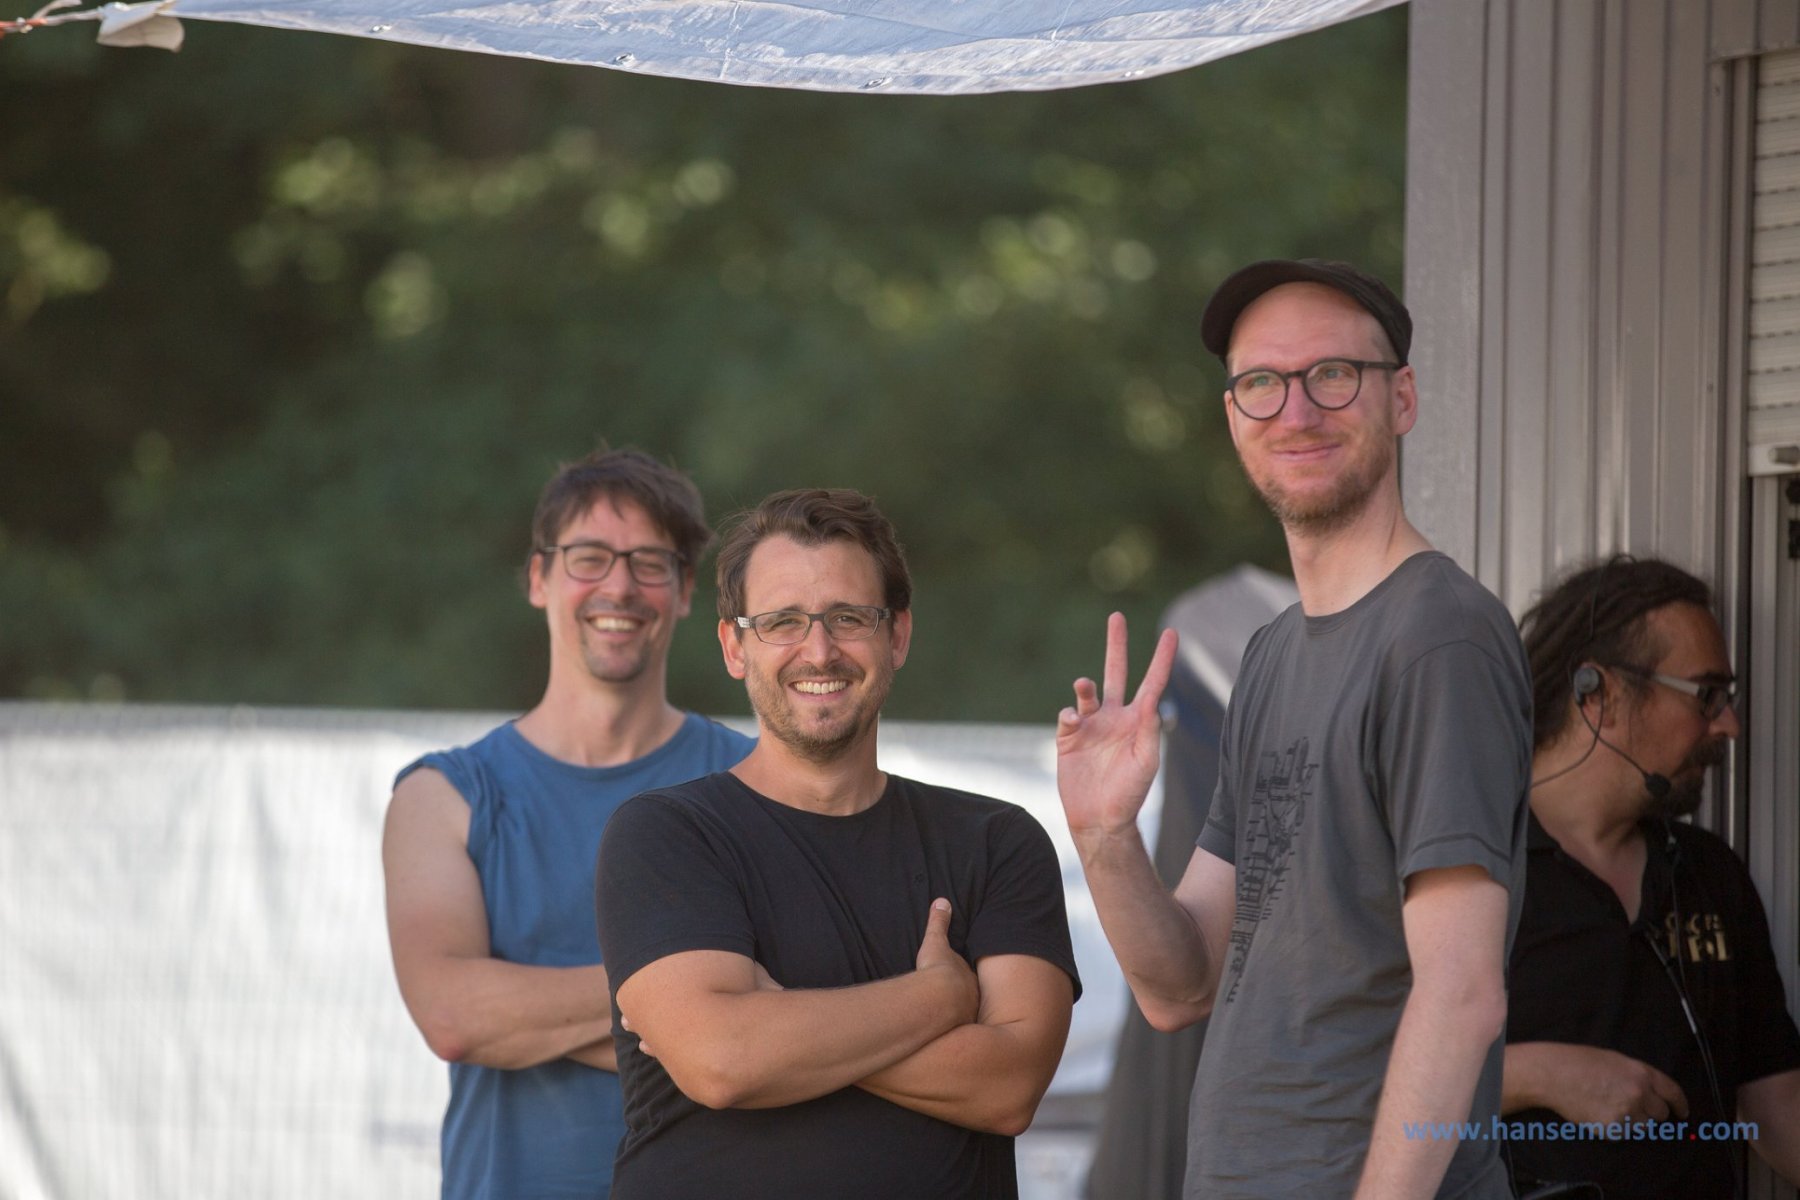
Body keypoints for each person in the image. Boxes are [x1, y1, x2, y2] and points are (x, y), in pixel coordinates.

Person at [1056, 259, 1532, 1199]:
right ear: (1234, 414)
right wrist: (1105, 837)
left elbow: (1463, 993)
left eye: (1334, 375)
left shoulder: (1438, 637)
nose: (1297, 411)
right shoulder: (1273, 653)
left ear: (1402, 398)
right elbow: (1178, 987)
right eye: (1263, 383)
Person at [593, 487, 1080, 1200]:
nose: (818, 651)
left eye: (849, 618)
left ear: (897, 636)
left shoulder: (996, 842)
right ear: (734, 646)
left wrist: (774, 1024)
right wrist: (936, 999)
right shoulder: (667, 834)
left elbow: (1007, 1088)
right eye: (782, 622)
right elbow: (722, 1062)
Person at [381, 447, 754, 1199]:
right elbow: (453, 1016)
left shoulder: (755, 786)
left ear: (685, 590)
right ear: (538, 578)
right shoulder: (444, 796)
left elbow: (792, 1022)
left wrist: (529, 1017)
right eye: (588, 558)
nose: (619, 586)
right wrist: (698, 1011)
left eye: (650, 562)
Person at [1503, 555, 1800, 1198]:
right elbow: (1354, 1081)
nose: (1728, 724)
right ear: (1600, 694)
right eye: (1707, 695)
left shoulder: (1709, 874)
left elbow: (1777, 1108)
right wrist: (1534, 1074)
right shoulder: (1465, 871)